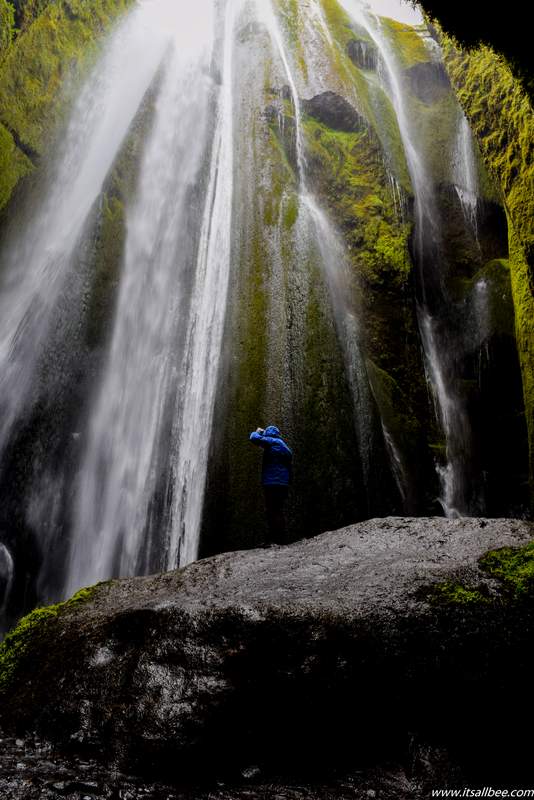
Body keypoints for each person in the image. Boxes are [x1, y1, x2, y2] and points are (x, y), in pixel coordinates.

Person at [249, 425, 292, 546]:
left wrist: (258, 432)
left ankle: (273, 540)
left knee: (271, 511)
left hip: (272, 483)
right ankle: (281, 539)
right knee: (278, 511)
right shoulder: (283, 446)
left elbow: (253, 437)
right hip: (282, 484)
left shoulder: (272, 442)